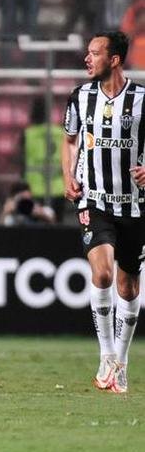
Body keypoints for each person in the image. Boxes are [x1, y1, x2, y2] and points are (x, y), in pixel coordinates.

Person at [61, 31, 145, 394]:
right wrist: (68, 175)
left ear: (114, 59)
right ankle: (106, 356)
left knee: (128, 286)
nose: (87, 59)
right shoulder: (80, 97)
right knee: (102, 273)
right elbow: (68, 139)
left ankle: (121, 363)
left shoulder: (142, 99)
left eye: (94, 53)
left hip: (134, 205)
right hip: (93, 200)